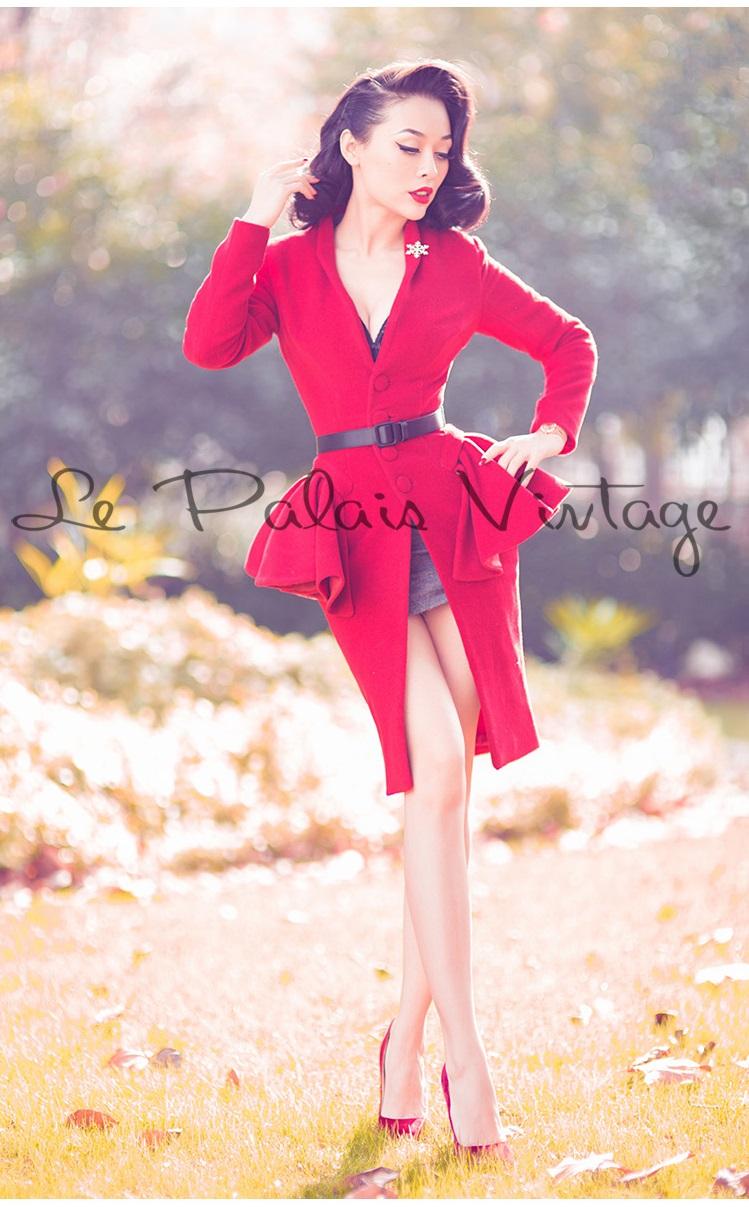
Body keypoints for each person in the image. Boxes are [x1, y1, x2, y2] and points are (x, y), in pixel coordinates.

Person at [183, 57, 598, 1162]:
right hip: (354, 530)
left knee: (445, 794)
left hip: (454, 517)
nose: (427, 167)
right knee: (433, 770)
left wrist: (548, 432)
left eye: (441, 150)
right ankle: (465, 1050)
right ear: (352, 145)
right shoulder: (289, 265)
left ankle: (404, 1041)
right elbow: (208, 343)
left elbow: (568, 343)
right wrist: (253, 215)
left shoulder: (454, 261)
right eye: (407, 145)